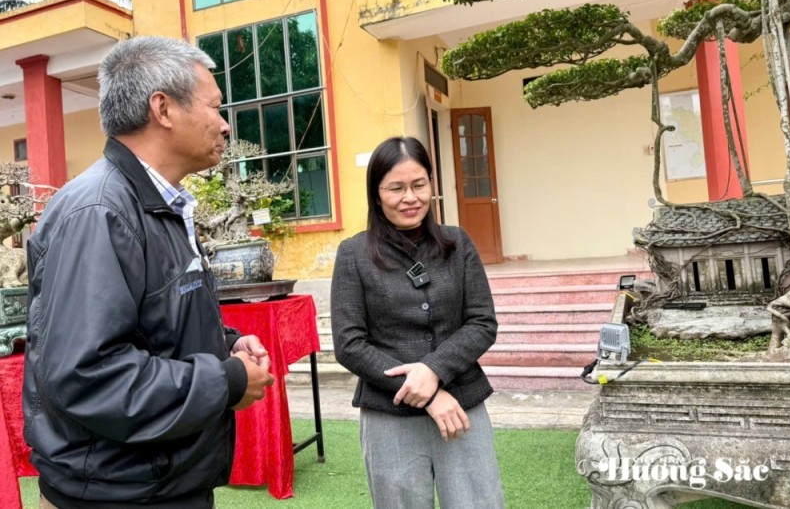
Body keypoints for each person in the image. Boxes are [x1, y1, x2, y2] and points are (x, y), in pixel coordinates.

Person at [23, 36, 274, 509]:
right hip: (117, 492)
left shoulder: (156, 202)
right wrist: (227, 381)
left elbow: (152, 320)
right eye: (215, 107)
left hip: (156, 481)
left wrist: (225, 343)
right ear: (163, 108)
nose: (224, 126)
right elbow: (89, 375)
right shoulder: (100, 212)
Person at [331, 136, 504, 509]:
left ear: (431, 185)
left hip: (462, 407)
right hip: (389, 414)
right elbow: (349, 343)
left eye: (419, 185)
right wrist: (424, 389)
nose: (410, 198)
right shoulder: (354, 255)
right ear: (377, 194)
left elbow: (481, 322)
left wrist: (435, 370)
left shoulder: (458, 244)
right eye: (396, 188)